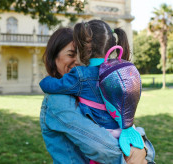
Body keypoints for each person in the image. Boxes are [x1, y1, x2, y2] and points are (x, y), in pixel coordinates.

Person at [40, 27, 155, 163]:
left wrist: (143, 150)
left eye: (82, 54)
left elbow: (122, 125)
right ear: (53, 58)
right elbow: (105, 150)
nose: (78, 60)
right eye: (71, 54)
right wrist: (142, 151)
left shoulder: (92, 89)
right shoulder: (56, 100)